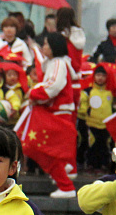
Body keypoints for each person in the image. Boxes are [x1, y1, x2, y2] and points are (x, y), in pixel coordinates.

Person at [27, 32, 79, 197]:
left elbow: (52, 87)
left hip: (57, 112)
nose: (44, 47)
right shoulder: (55, 62)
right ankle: (64, 170)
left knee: (49, 150)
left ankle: (66, 186)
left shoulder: (57, 63)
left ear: (54, 47)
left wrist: (33, 93)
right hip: (56, 111)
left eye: (46, 44)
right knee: (53, 150)